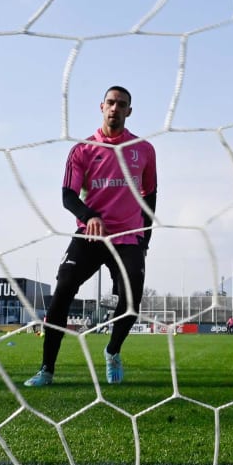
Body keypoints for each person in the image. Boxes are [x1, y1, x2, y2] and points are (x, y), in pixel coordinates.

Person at [24, 85, 157, 387]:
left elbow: (150, 196)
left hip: (128, 238)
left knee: (131, 301)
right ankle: (46, 369)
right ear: (101, 107)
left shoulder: (144, 150)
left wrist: (145, 239)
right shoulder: (83, 150)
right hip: (90, 235)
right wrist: (89, 216)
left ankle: (112, 351)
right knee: (62, 293)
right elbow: (68, 195)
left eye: (121, 104)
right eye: (110, 103)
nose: (115, 108)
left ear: (129, 111)